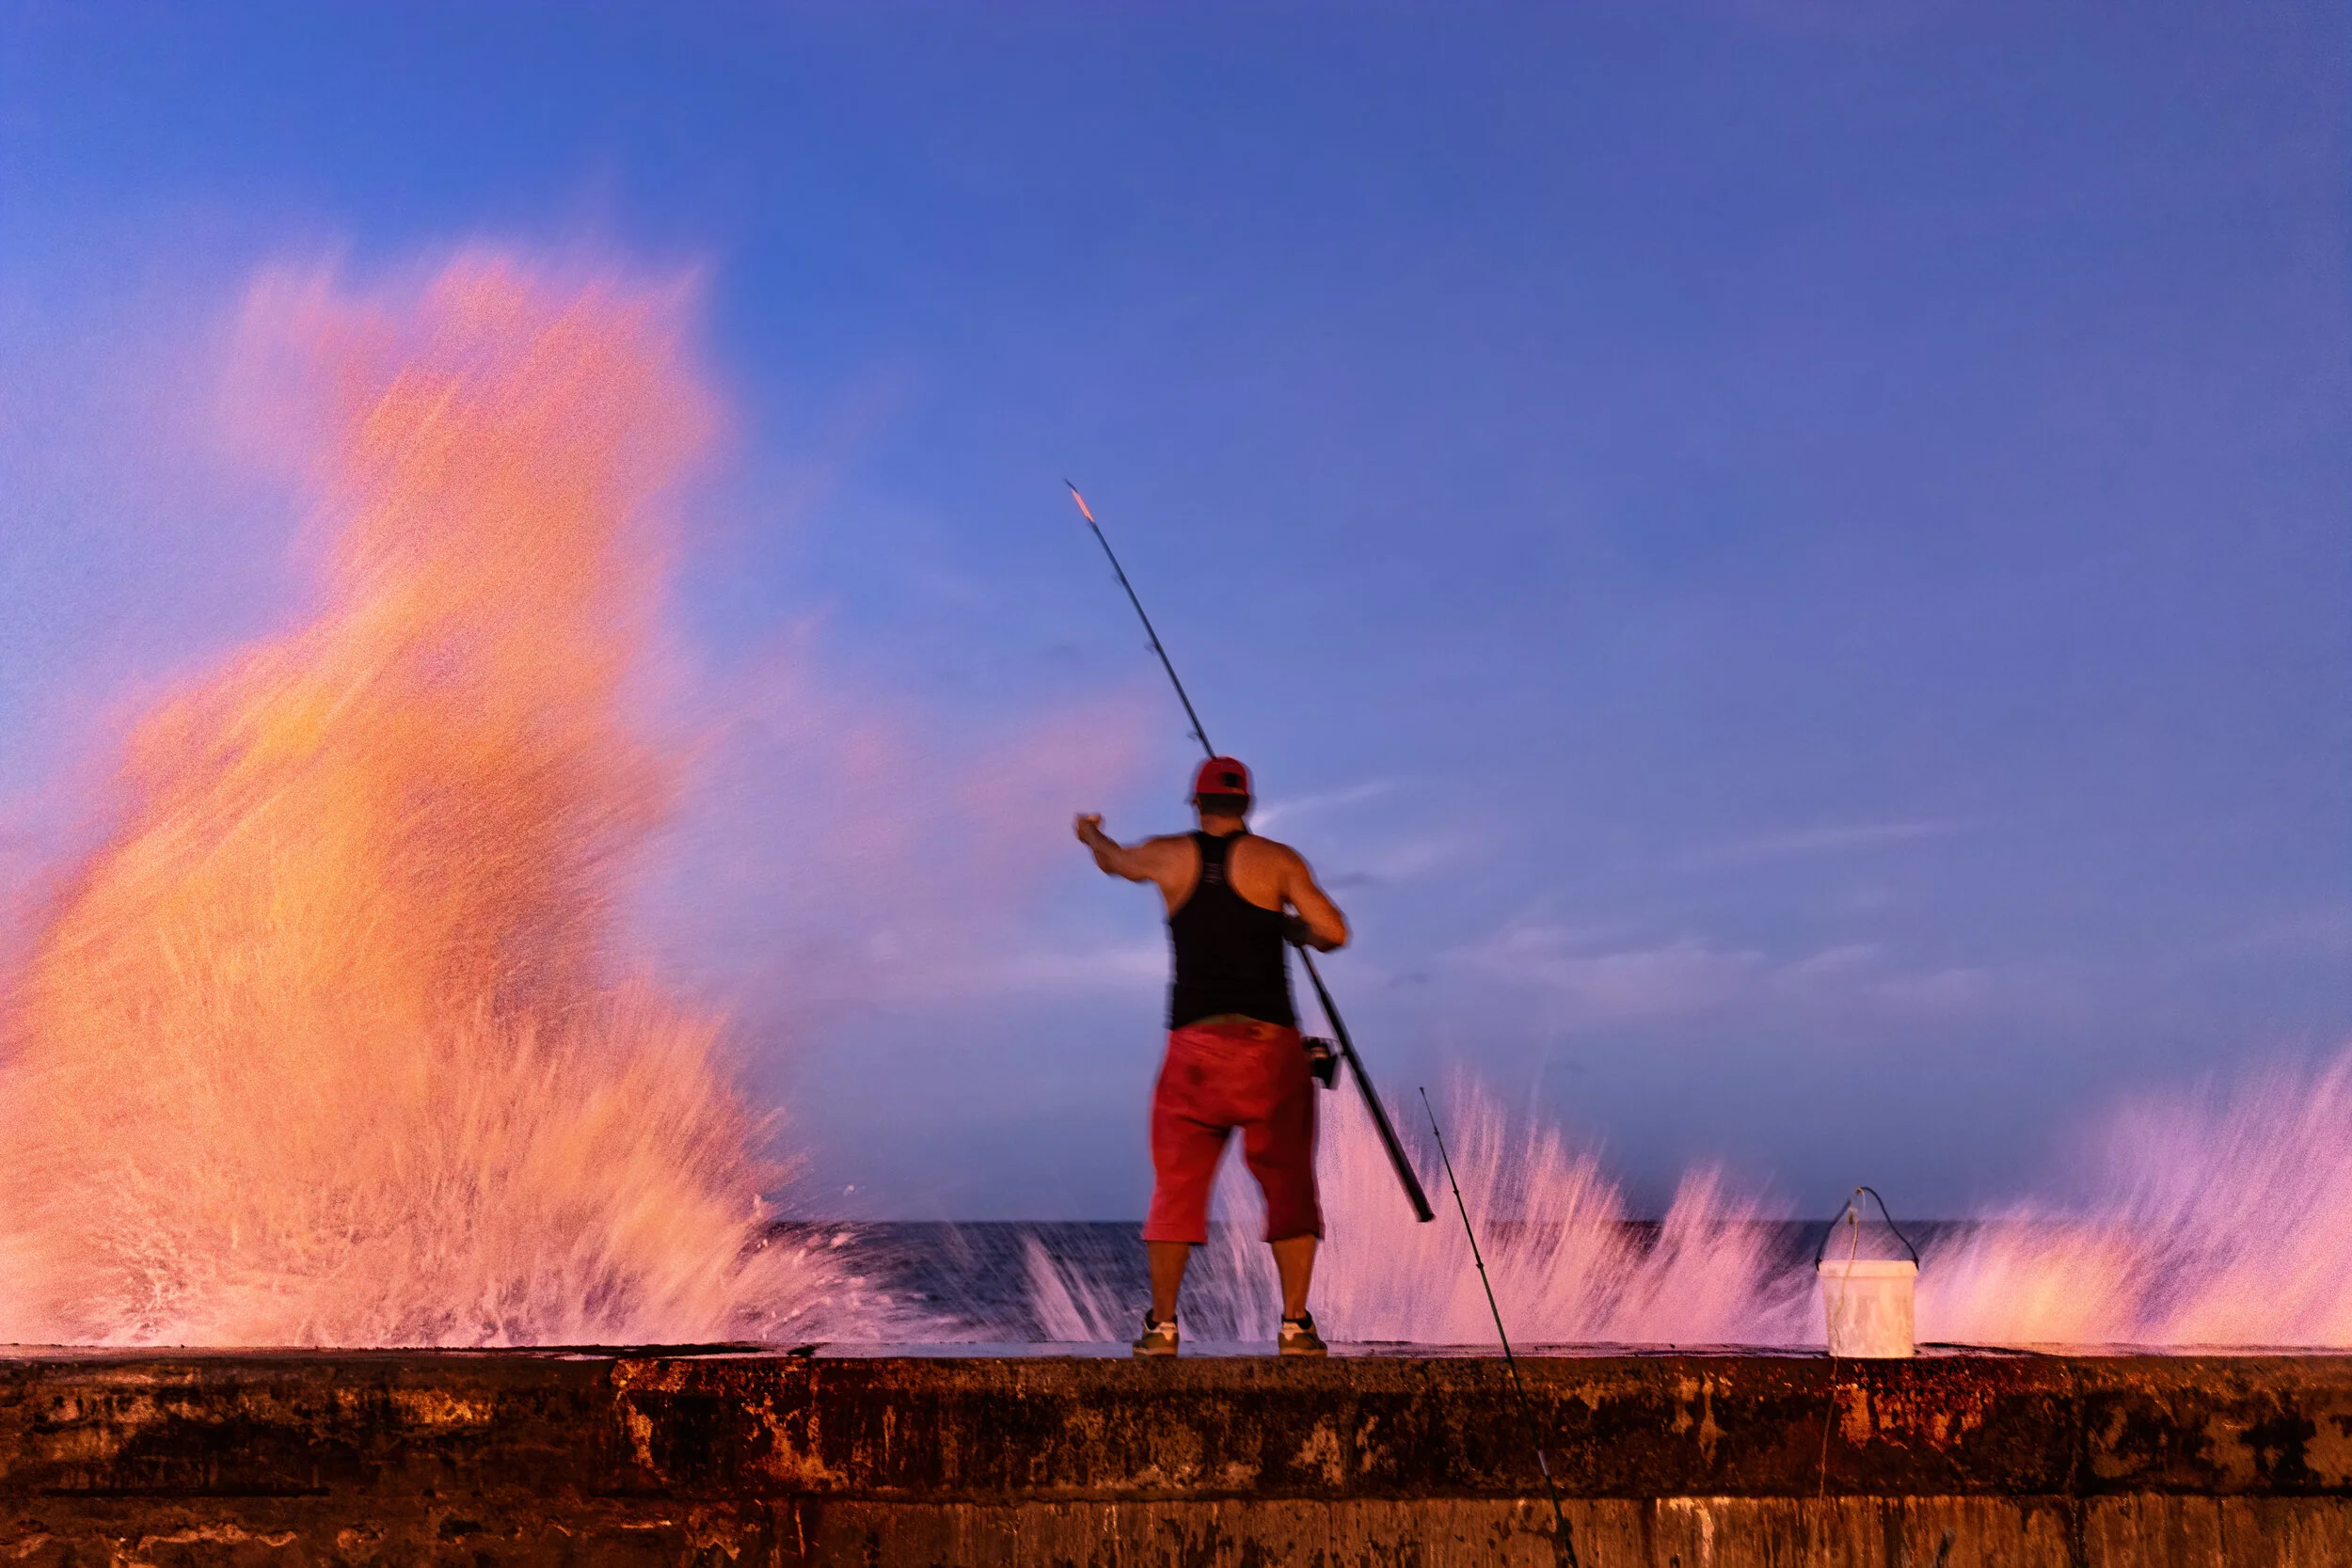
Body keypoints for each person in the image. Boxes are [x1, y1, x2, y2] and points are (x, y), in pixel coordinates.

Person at [1074, 755, 1349, 1358]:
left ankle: (1163, 1327)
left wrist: (1090, 832)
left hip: (1193, 1054)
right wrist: (1295, 931)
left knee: (1177, 1187)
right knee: (1289, 1185)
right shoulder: (1278, 859)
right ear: (1246, 805)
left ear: (1196, 804)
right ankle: (1296, 1326)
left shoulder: (1169, 854)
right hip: (1269, 1051)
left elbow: (1114, 861)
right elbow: (1333, 930)